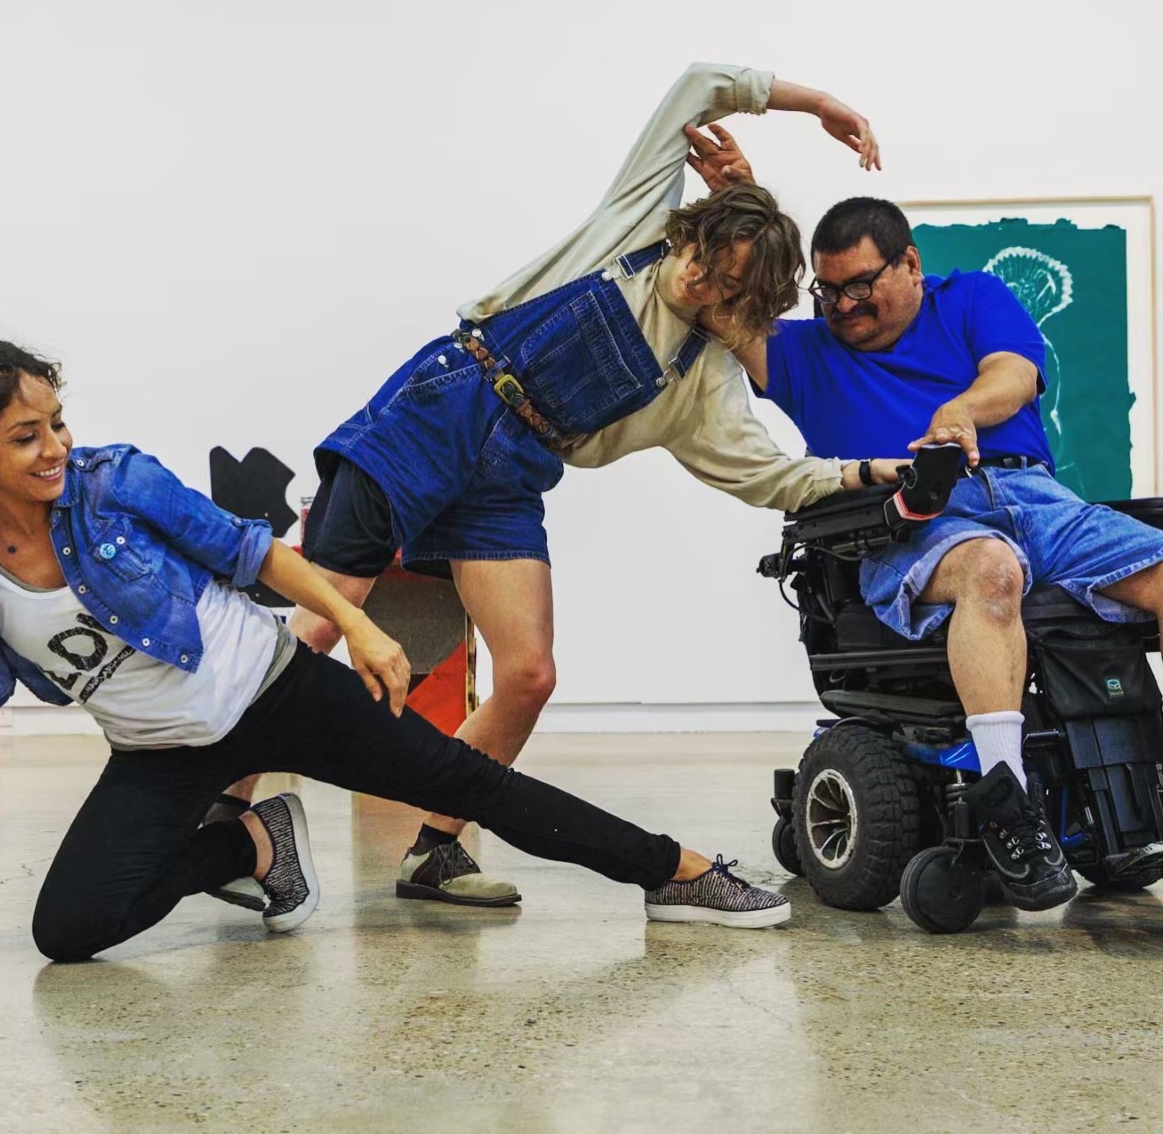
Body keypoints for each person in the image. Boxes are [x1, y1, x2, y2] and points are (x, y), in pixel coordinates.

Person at [217, 59, 902, 909]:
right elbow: (701, 84)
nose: (698, 284)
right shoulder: (635, 226)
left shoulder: (705, 378)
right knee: (322, 625)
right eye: (701, 262)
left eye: (726, 290)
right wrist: (821, 105)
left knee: (531, 673)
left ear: (745, 308)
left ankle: (435, 849)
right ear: (689, 230)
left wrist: (868, 471)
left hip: (514, 469)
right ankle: (223, 817)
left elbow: (770, 475)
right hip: (445, 404)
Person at [0, 339, 803, 962]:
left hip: (274, 690)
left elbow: (257, 554)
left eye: (55, 422)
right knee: (70, 929)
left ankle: (678, 870)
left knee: (467, 785)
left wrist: (358, 625)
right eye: (24, 436)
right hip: (159, 753)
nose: (54, 447)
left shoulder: (112, 484)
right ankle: (254, 840)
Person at [687, 129, 1163, 909]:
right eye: (829, 292)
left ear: (910, 264)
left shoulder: (971, 296)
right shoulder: (803, 353)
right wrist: (736, 197)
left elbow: (1010, 376)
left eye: (860, 285)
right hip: (910, 521)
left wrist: (960, 413)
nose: (843, 307)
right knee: (992, 571)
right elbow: (723, 305)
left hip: (1034, 496)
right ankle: (1008, 802)